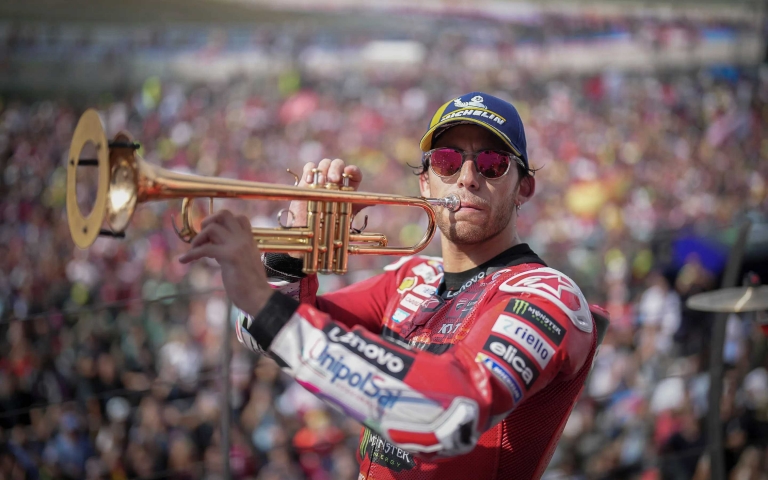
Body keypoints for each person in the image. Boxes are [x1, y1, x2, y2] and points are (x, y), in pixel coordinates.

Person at [179, 92, 609, 480]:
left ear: (524, 188)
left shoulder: (548, 294)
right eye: (446, 161)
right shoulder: (410, 277)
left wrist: (260, 299)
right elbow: (261, 334)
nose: (467, 177)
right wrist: (292, 249)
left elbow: (450, 413)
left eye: (492, 163)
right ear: (425, 182)